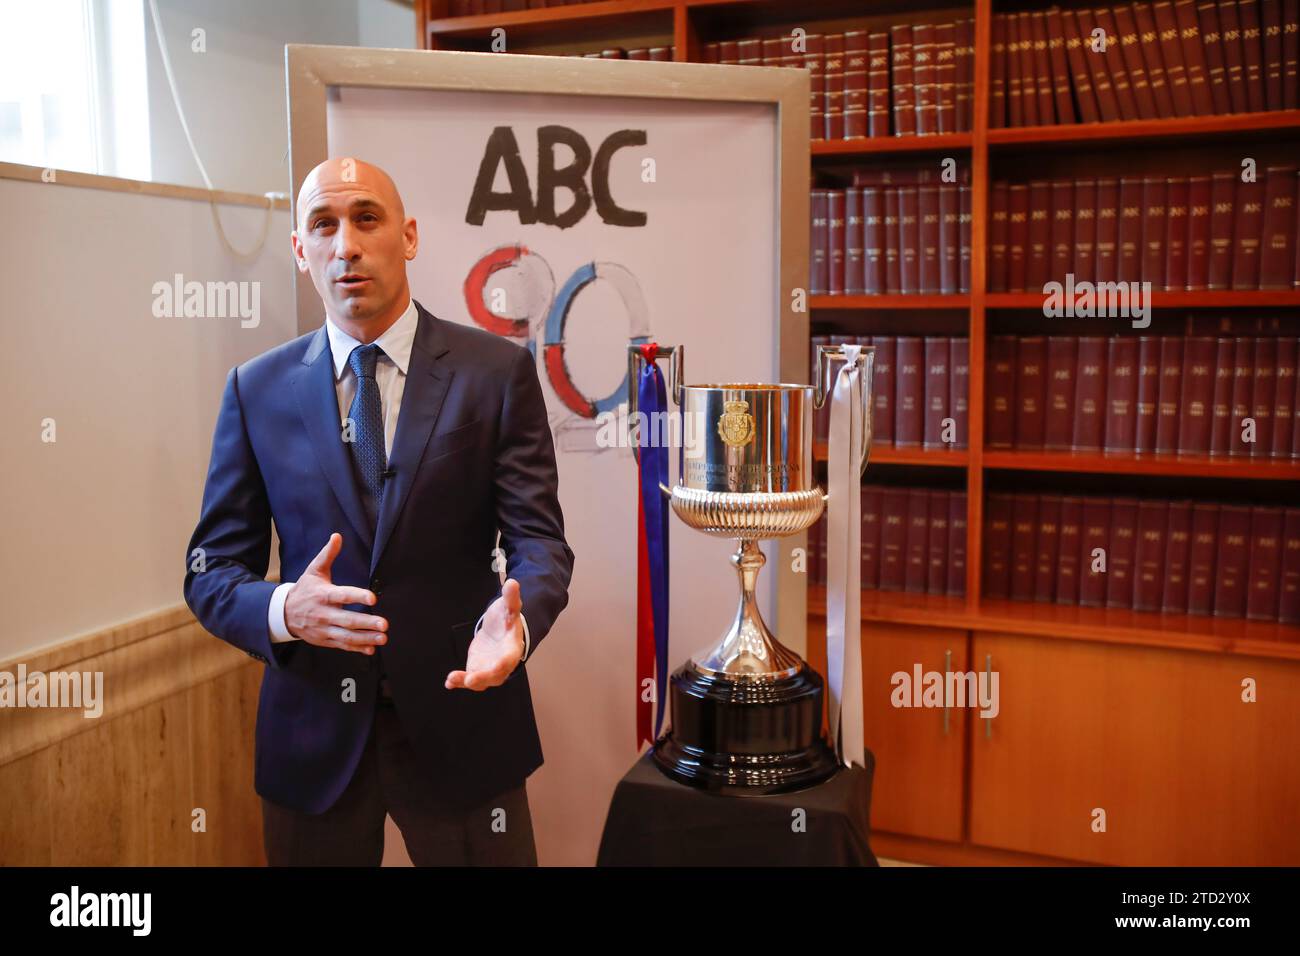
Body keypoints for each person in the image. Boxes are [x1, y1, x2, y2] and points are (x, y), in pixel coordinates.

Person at [183, 156, 574, 865]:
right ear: (301, 250)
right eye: (323, 226)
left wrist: (517, 629)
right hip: (311, 739)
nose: (347, 244)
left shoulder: (496, 373)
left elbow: (540, 544)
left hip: (464, 718)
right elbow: (210, 572)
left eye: (366, 218)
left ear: (410, 235)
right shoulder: (256, 389)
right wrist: (283, 612)